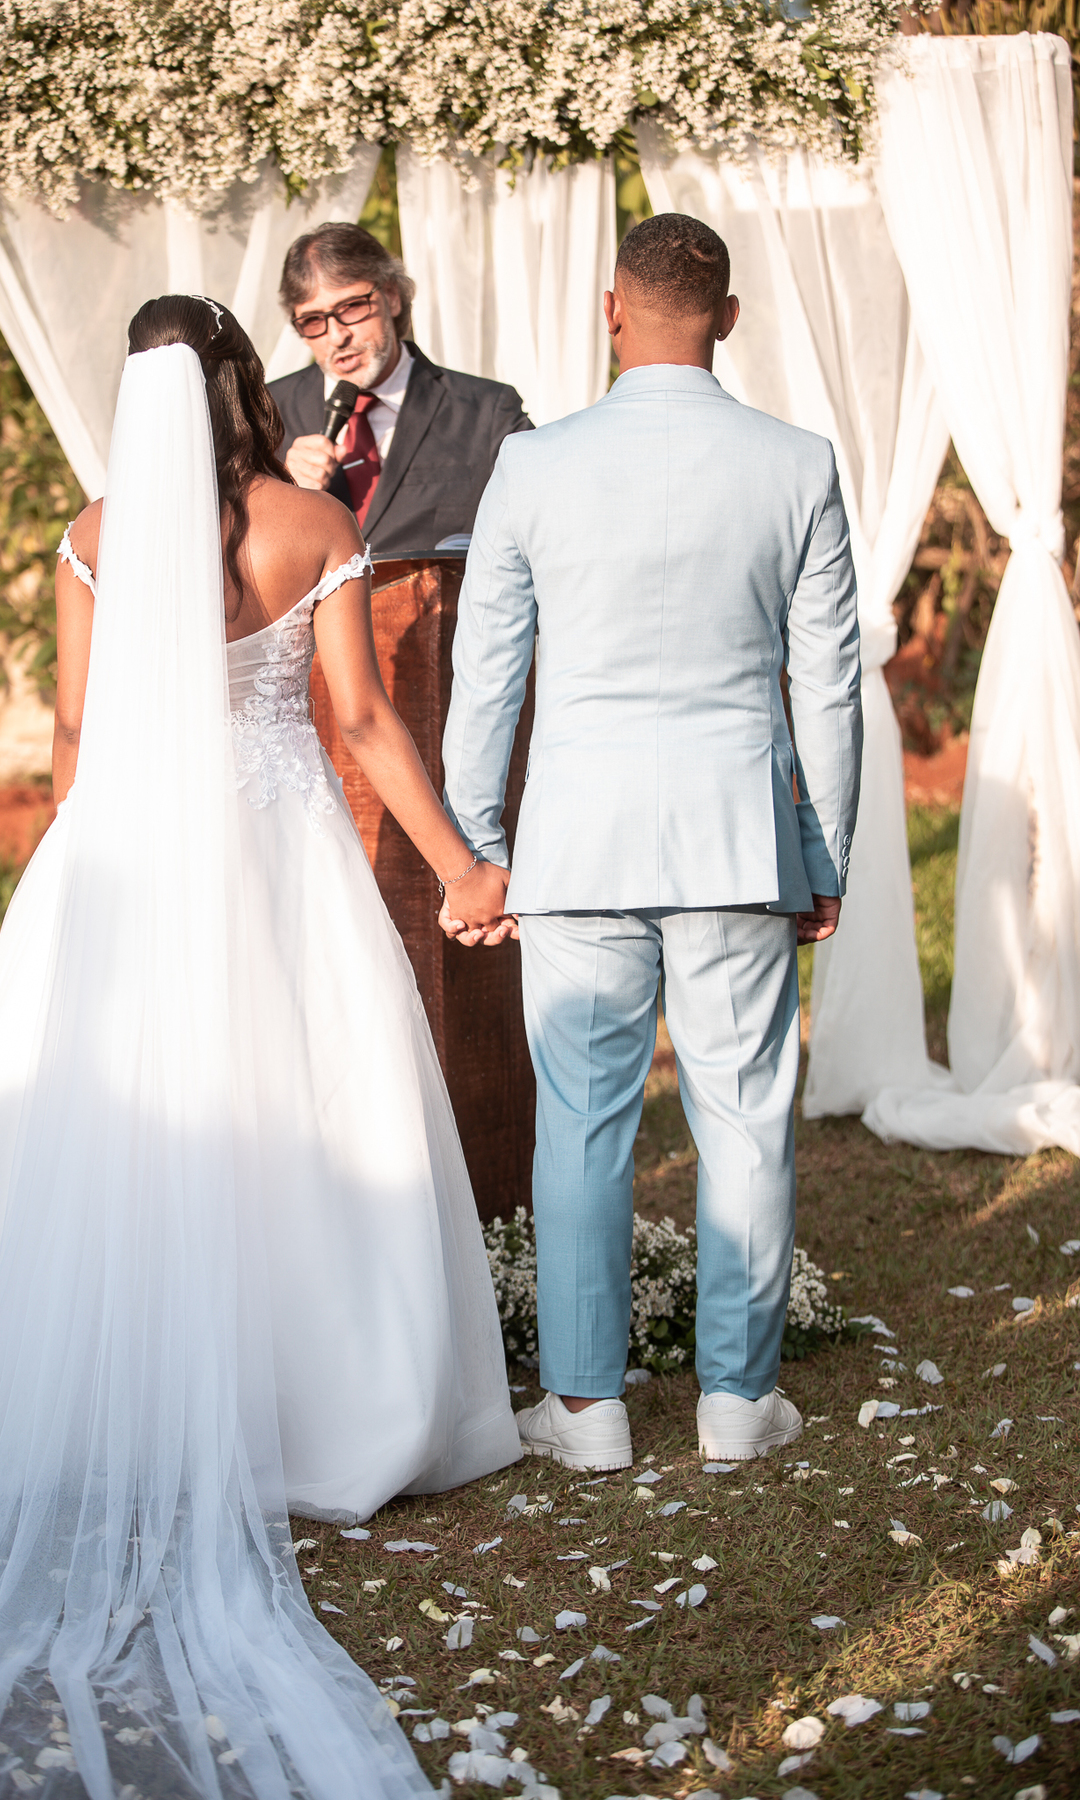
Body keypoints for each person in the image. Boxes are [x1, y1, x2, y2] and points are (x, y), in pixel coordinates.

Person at [0, 295, 521, 1798]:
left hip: (123, 858)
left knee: (113, 1112)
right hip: (280, 856)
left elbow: (74, 733)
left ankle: (59, 1393)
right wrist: (462, 867)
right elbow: (363, 723)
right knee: (302, 1099)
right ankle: (326, 1407)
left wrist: (78, 879)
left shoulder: (94, 533)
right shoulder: (313, 526)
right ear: (245, 387)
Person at [441, 213, 863, 1472]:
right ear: (727, 317)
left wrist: (480, 840)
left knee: (580, 1124)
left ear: (611, 309)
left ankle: (587, 1411)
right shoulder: (796, 463)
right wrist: (823, 853)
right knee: (745, 1117)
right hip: (738, 839)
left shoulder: (534, 464)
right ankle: (737, 1402)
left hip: (578, 840)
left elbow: (486, 673)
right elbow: (829, 684)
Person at [267, 222, 533, 556]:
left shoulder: (487, 412)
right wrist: (283, 498)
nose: (337, 336)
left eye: (351, 307)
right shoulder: (264, 412)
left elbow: (542, 532)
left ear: (392, 296)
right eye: (313, 321)